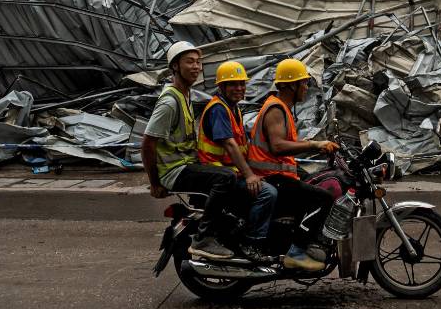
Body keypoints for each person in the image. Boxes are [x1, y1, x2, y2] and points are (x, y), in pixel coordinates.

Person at [140, 41, 236, 260]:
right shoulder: (170, 102)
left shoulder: (186, 95)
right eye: (189, 62)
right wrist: (155, 183)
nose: (196, 67)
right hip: (175, 171)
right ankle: (204, 238)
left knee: (231, 175)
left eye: (198, 62)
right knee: (226, 178)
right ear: (175, 66)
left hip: (186, 165)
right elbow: (147, 143)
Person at [248, 58, 338, 271]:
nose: (306, 88)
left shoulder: (283, 108)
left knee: (315, 183)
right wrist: (316, 144)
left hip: (278, 174)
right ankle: (297, 251)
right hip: (270, 177)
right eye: (303, 83)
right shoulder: (276, 109)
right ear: (290, 85)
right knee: (324, 198)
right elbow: (278, 146)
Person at [197, 61, 277, 263]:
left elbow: (243, 146)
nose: (239, 88)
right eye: (233, 84)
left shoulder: (234, 109)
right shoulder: (218, 109)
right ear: (221, 87)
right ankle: (252, 242)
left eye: (242, 84)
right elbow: (230, 145)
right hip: (220, 174)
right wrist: (250, 175)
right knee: (268, 193)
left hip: (232, 171)